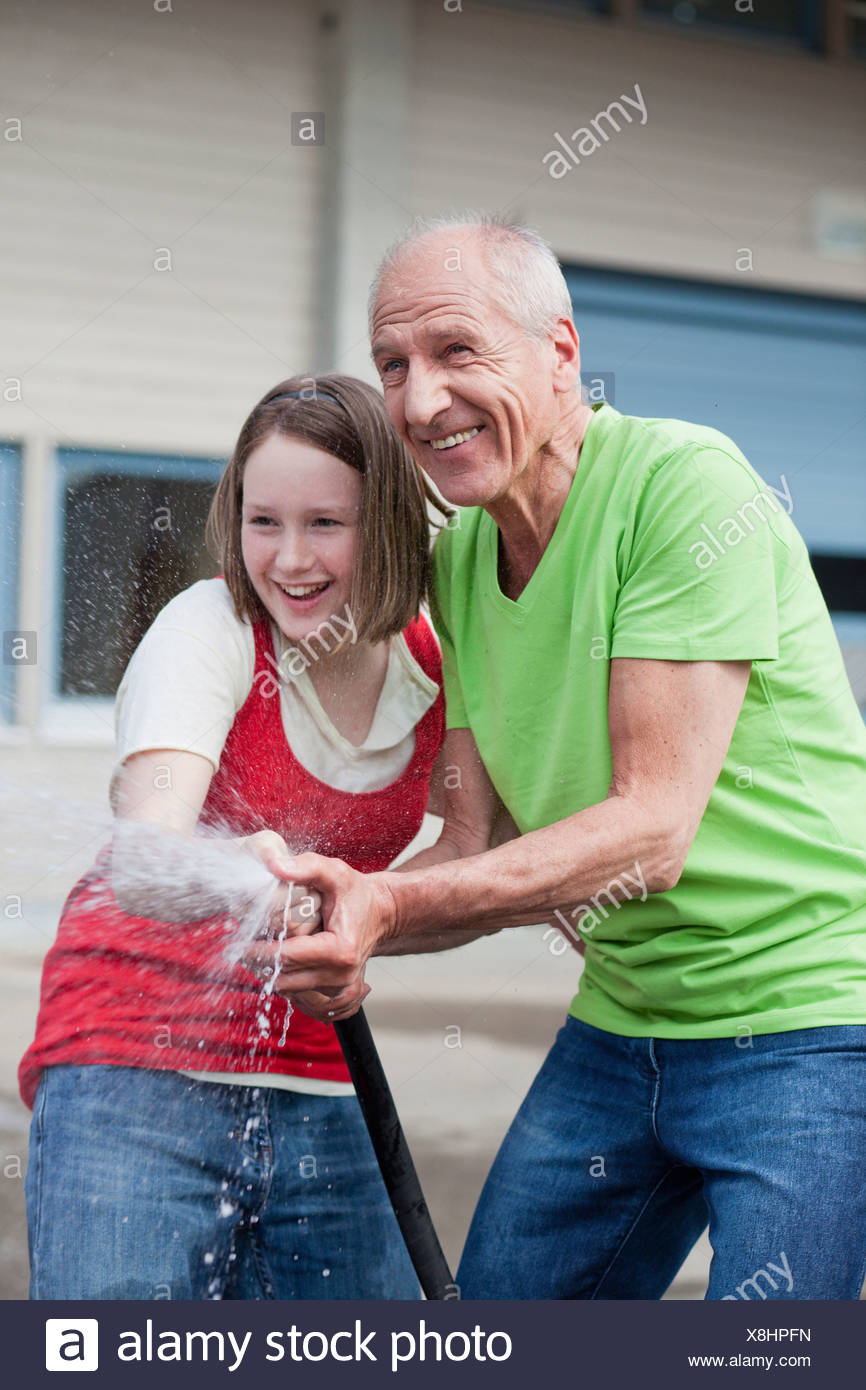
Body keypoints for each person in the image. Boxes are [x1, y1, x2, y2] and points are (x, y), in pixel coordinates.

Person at [257, 214, 866, 1301]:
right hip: (623, 1019)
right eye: (391, 364)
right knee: (502, 1338)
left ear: (560, 352)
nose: (417, 399)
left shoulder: (682, 489)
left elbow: (651, 830)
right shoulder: (463, 564)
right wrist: (353, 910)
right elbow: (472, 842)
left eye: (455, 351)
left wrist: (386, 913)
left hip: (811, 1023)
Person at [19, 373, 451, 1300]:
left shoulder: (435, 663)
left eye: (326, 523)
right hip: (134, 1061)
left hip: (328, 1075)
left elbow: (471, 866)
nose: (289, 559)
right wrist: (238, 876)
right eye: (265, 522)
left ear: (387, 523)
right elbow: (143, 859)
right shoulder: (209, 627)